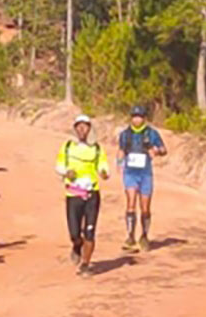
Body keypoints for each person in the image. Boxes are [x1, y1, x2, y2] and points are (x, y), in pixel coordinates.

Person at [55, 114, 110, 277]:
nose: (81, 129)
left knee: (90, 232)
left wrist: (104, 173)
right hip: (73, 194)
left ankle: (85, 264)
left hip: (91, 194)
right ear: (74, 129)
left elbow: (103, 166)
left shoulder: (97, 149)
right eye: (78, 126)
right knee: (74, 233)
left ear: (89, 129)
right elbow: (58, 166)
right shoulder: (67, 147)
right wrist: (67, 172)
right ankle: (76, 246)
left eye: (85, 126)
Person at [116, 105, 167, 252]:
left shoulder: (152, 134)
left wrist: (156, 151)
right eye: (134, 116)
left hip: (145, 174)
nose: (137, 119)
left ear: (144, 118)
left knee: (145, 208)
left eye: (139, 117)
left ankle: (144, 236)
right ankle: (130, 236)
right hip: (130, 173)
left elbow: (164, 149)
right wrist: (119, 163)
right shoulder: (125, 134)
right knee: (130, 203)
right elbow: (121, 150)